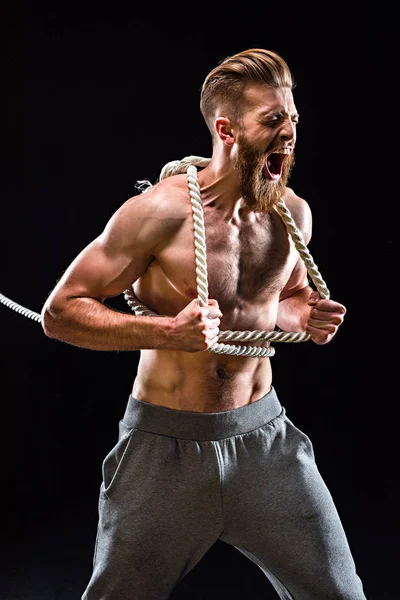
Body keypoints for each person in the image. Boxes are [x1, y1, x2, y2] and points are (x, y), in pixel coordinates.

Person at [41, 48, 366, 599]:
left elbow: (276, 301)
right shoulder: (159, 213)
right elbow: (61, 312)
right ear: (226, 129)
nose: (289, 132)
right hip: (164, 448)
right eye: (273, 120)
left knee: (339, 593)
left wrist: (302, 313)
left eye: (293, 119)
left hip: (265, 442)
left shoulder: (294, 214)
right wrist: (166, 333)